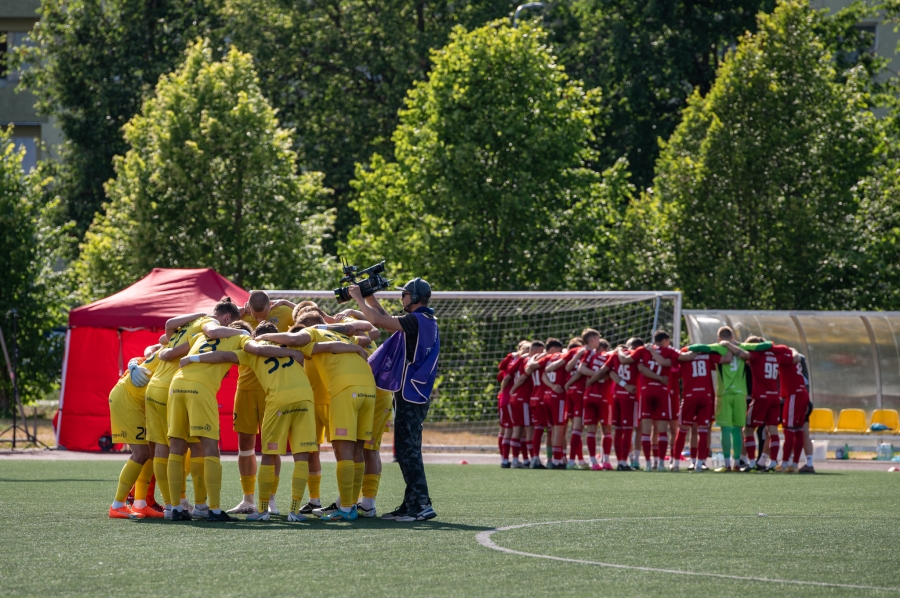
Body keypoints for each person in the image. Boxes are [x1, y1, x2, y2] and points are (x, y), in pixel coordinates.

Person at [185, 321, 364, 521]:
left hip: (278, 400)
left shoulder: (252, 351)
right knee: (302, 456)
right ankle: (294, 511)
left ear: (257, 337)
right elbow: (329, 346)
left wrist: (193, 358)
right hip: (305, 398)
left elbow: (223, 355)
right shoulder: (294, 347)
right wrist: (355, 348)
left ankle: (262, 511)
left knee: (269, 455)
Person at [257, 311, 376, 522]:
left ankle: (346, 508)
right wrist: (348, 337)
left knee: (344, 450)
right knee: (358, 451)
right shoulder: (343, 336)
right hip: (369, 388)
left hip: (344, 389)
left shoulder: (311, 333)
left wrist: (264, 337)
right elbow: (369, 334)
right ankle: (352, 506)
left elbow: (294, 339)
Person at [348, 278, 440, 522]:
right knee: (407, 448)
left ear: (416, 298)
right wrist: (369, 297)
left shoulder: (417, 319)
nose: (402, 298)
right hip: (414, 391)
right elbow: (387, 322)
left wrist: (358, 297)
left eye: (406, 294)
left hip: (411, 392)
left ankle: (422, 503)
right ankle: (412, 502)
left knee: (407, 450)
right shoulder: (424, 319)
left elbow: (379, 322)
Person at [166, 298, 254, 522]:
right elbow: (228, 354)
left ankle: (175, 508)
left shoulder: (198, 335)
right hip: (200, 388)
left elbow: (166, 346)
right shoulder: (240, 337)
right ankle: (213, 509)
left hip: (176, 385)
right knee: (210, 449)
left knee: (177, 448)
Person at [227, 291, 296, 515]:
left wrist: (289, 303)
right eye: (255, 316)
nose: (259, 320)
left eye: (264, 315)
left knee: (272, 445)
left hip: (273, 389)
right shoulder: (241, 316)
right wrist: (236, 312)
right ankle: (248, 499)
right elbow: (216, 321)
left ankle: (271, 499)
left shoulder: (284, 312)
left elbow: (311, 320)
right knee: (245, 444)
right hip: (246, 387)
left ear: (270, 306)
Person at [145, 310, 217, 518]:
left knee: (161, 447)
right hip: (174, 389)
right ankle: (201, 506)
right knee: (195, 445)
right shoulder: (205, 329)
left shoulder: (178, 330)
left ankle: (172, 505)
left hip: (153, 387)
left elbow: (165, 333)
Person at [721, 336, 798, 471]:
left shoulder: (757, 354)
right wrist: (793, 349)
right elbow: (795, 359)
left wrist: (728, 344)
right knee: (772, 430)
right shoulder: (776, 355)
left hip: (761, 398)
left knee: (748, 429)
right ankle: (773, 462)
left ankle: (751, 462)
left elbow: (743, 354)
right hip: (775, 397)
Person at [107, 340, 163, 519]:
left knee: (149, 451)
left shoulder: (182, 341)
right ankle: (118, 505)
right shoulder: (183, 342)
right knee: (140, 453)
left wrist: (133, 362)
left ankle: (140, 503)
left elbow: (153, 348)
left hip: (139, 400)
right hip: (129, 398)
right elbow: (156, 346)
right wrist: (133, 363)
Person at [621, 331, 680, 472]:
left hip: (646, 391)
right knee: (662, 431)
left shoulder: (642, 350)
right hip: (662, 392)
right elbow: (670, 361)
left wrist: (618, 351)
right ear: (665, 340)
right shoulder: (669, 351)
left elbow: (628, 361)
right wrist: (660, 378)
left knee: (646, 431)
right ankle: (660, 464)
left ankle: (648, 463)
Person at [674, 345, 731, 472]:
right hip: (706, 396)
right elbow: (727, 359)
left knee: (684, 429)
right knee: (703, 430)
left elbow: (674, 369)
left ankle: (677, 463)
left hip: (690, 395)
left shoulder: (684, 354)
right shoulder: (707, 354)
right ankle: (698, 463)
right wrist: (728, 345)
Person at [599, 338, 642, 470]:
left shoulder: (615, 354)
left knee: (617, 430)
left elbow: (607, 371)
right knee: (628, 431)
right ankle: (625, 462)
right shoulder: (637, 356)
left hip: (615, 396)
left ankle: (619, 462)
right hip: (630, 396)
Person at [577, 335, 613, 470]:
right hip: (604, 397)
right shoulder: (610, 356)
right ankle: (606, 461)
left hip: (589, 395)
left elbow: (581, 369)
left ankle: (593, 462)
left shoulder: (589, 355)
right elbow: (611, 374)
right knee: (606, 430)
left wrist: (591, 379)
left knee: (591, 430)